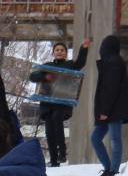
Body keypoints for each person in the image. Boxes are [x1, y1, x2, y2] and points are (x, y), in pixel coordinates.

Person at [29, 39, 90, 167]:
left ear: (66, 53)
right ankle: (54, 159)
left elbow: (80, 63)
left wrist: (84, 48)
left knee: (57, 118)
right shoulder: (47, 66)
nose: (60, 52)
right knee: (49, 130)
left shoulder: (69, 64)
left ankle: (62, 152)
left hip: (62, 103)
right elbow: (33, 77)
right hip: (47, 103)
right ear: (53, 53)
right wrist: (44, 77)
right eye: (57, 50)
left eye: (62, 50)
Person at [90, 35, 128, 176]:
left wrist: (104, 111)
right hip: (110, 110)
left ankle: (113, 171)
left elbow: (111, 88)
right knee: (95, 138)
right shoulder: (110, 62)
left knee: (115, 139)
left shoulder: (114, 62)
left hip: (114, 110)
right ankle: (108, 168)